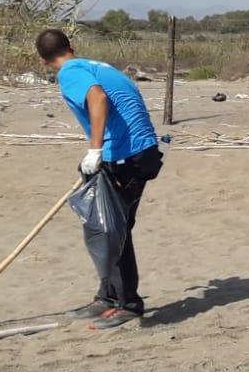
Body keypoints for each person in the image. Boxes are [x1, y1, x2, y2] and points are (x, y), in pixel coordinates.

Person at [36, 28, 164, 332]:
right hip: (138, 152)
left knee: (112, 229)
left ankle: (128, 304)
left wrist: (95, 150)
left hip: (125, 156)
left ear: (42, 61)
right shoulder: (94, 66)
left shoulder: (71, 73)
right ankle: (107, 296)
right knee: (106, 224)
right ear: (71, 46)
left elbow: (97, 97)